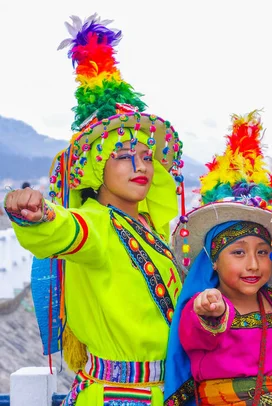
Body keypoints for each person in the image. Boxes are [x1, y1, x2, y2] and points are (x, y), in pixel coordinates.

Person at [3, 14, 186, 405]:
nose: (139, 166)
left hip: (163, 391)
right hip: (118, 395)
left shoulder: (148, 227)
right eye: (122, 156)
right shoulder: (96, 224)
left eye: (144, 156)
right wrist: (35, 215)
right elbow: (65, 228)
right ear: (95, 169)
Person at [164, 111, 272, 406]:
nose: (254, 264)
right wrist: (210, 310)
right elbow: (198, 333)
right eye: (239, 252)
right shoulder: (207, 305)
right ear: (214, 261)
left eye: (262, 252)